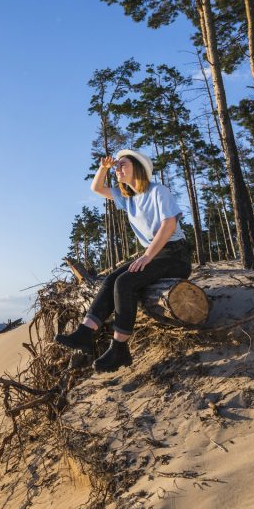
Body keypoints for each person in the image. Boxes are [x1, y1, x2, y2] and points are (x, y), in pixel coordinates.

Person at [56, 149, 192, 372]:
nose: (118, 169)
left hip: (175, 254)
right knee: (111, 279)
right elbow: (97, 188)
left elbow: (169, 225)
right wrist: (104, 167)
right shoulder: (128, 198)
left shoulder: (159, 191)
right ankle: (85, 333)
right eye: (117, 166)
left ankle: (119, 348)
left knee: (125, 282)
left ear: (138, 167)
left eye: (123, 165)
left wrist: (147, 256)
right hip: (155, 252)